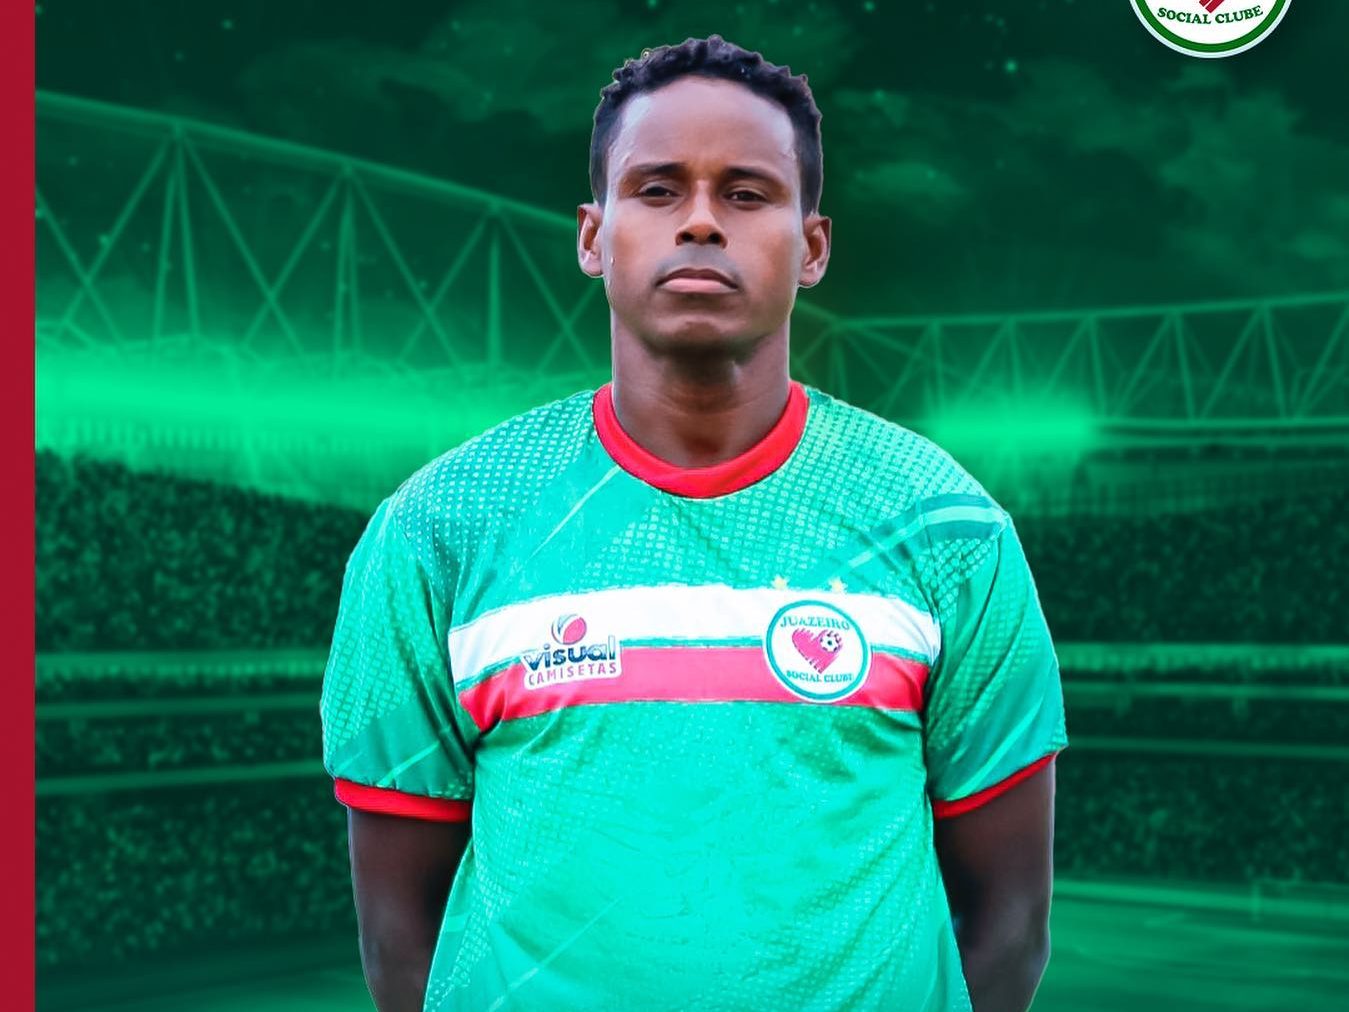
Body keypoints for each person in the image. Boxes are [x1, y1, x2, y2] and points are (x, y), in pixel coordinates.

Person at [320, 34, 1067, 1012]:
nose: (702, 220)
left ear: (811, 247)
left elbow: (1010, 921)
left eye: (747, 193)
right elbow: (395, 937)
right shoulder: (436, 529)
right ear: (593, 237)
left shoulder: (948, 529)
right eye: (657, 189)